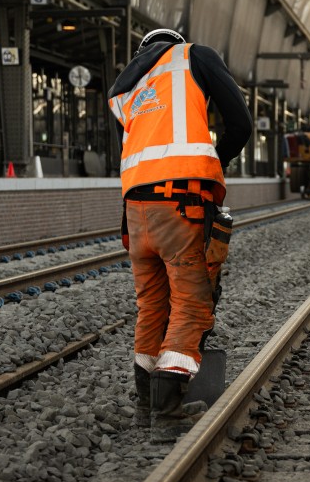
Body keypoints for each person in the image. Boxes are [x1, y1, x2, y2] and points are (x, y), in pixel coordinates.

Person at [108, 28, 252, 437]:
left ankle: (145, 409)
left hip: (135, 213)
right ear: (174, 43)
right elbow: (240, 124)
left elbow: (130, 150)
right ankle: (168, 412)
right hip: (181, 203)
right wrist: (211, 162)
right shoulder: (194, 57)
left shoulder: (126, 86)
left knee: (152, 307)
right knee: (191, 304)